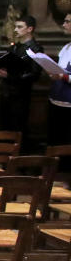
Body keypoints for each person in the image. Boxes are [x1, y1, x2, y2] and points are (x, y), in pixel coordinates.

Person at [0, 15, 43, 150]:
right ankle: (5, 158)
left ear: (29, 29)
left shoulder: (36, 48)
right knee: (4, 126)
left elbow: (34, 74)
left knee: (18, 128)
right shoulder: (15, 47)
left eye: (19, 27)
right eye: (15, 26)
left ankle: (17, 162)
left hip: (20, 95)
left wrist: (10, 75)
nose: (15, 30)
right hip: (5, 92)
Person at [49, 13, 71, 170]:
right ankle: (57, 172)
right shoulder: (66, 47)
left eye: (67, 22)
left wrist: (63, 76)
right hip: (56, 101)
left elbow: (66, 75)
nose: (64, 25)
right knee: (58, 139)